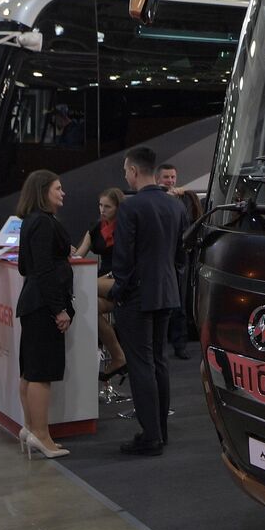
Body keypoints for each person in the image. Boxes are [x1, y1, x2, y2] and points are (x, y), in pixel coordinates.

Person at [111, 146, 189, 456]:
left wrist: (119, 289)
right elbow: (182, 257)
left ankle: (150, 436)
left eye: (125, 172)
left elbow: (124, 258)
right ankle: (160, 431)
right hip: (167, 292)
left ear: (133, 171)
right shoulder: (175, 206)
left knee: (141, 364)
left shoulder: (131, 207)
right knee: (159, 361)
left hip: (138, 297)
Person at [15, 170, 74, 459]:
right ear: (43, 191)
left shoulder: (31, 222)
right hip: (42, 306)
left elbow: (25, 266)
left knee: (30, 370)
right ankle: (41, 434)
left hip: (33, 304)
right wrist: (59, 309)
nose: (62, 193)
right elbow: (43, 269)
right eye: (58, 188)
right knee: (41, 373)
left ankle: (31, 429)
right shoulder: (43, 223)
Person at [73, 187, 127, 380]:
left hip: (120, 279)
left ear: (118, 208)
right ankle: (118, 356)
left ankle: (117, 356)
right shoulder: (96, 226)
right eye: (100, 205)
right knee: (88, 307)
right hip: (102, 279)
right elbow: (79, 254)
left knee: (82, 288)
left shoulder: (126, 227)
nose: (102, 210)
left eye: (108, 207)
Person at [167, 187, 203, 360]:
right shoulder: (171, 202)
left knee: (180, 305)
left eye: (172, 177)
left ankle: (179, 344)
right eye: (166, 177)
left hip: (180, 261)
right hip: (168, 260)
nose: (170, 181)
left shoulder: (185, 201)